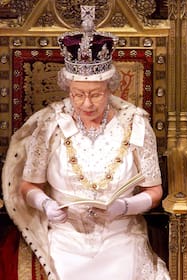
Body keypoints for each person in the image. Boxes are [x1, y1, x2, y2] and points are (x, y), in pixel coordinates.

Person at [2, 6, 170, 280]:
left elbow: (154, 191)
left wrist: (124, 208)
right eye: (78, 94)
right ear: (68, 88)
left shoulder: (135, 124)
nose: (87, 103)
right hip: (66, 236)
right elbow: (28, 186)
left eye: (96, 94)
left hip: (120, 234)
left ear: (111, 87)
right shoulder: (49, 124)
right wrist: (45, 204)